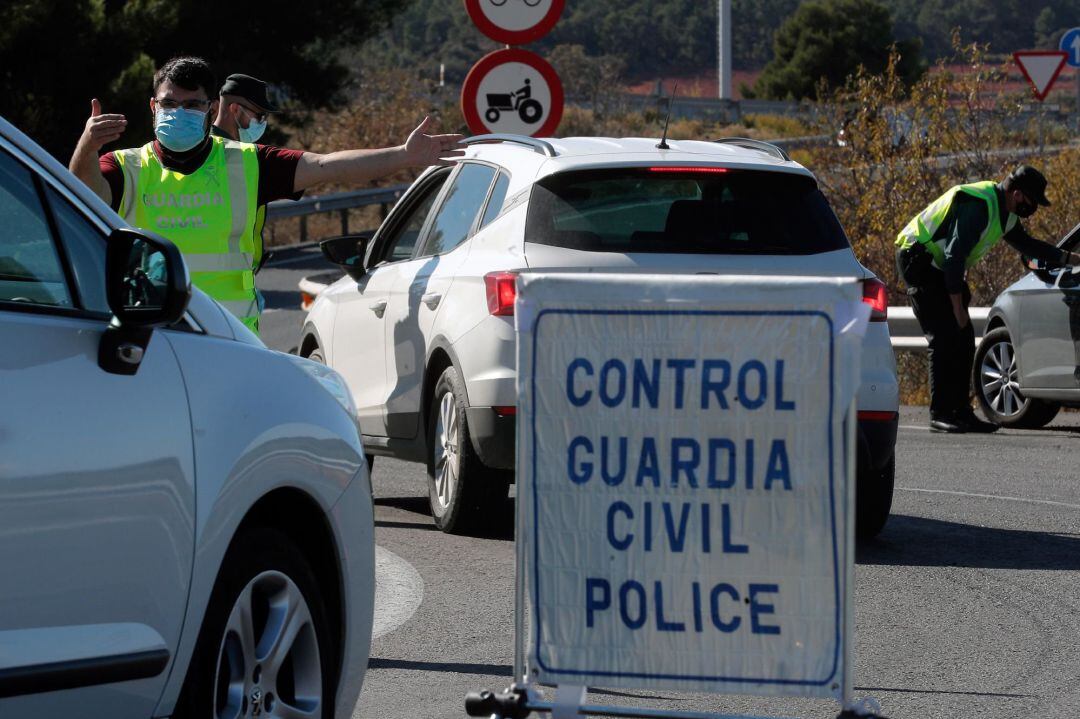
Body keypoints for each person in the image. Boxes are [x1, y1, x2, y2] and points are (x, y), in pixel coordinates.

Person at [69, 56, 464, 333]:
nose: (178, 112)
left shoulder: (248, 163)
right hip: (151, 329)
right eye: (169, 103)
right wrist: (87, 146)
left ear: (209, 110)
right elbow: (86, 191)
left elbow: (330, 166)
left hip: (230, 333)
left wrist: (404, 155)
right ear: (153, 106)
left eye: (191, 105)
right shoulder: (127, 166)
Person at [895, 165, 1080, 433]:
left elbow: (1029, 246)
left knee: (964, 339)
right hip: (917, 258)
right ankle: (941, 413)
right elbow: (954, 257)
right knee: (944, 337)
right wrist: (958, 306)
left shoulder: (1005, 214)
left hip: (941, 267)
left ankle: (961, 412)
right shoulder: (979, 207)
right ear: (1017, 194)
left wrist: (1070, 258)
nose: (1033, 208)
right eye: (1031, 201)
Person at [213, 73, 275, 143]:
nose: (263, 124)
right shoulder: (204, 147)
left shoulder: (248, 149)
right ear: (235, 109)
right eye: (259, 116)